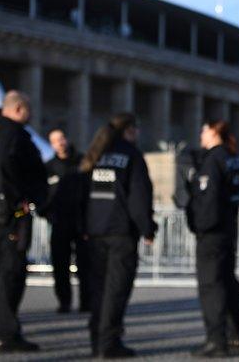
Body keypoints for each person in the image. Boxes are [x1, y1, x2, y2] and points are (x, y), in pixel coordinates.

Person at [0, 91, 48, 352]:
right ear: (18, 109)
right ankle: (7, 334)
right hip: (10, 214)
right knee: (10, 273)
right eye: (28, 110)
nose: (30, 116)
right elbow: (8, 168)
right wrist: (15, 201)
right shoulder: (13, 133)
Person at [82, 112, 157, 358]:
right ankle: (109, 343)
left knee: (98, 290)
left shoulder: (96, 153)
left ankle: (96, 341)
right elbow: (139, 197)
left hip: (94, 233)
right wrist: (147, 228)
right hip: (120, 234)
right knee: (116, 290)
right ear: (130, 130)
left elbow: (84, 194)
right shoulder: (131, 156)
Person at [185, 121, 239, 357]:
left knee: (211, 287)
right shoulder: (231, 157)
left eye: (203, 130)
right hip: (227, 230)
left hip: (212, 233)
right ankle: (238, 337)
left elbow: (208, 199)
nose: (200, 134)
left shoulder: (214, 159)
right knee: (228, 284)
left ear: (213, 132)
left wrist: (199, 226)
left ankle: (216, 341)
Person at [43, 128, 89, 313]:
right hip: (59, 222)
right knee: (60, 265)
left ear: (67, 139)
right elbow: (42, 196)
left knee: (85, 265)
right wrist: (47, 214)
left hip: (81, 222)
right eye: (55, 140)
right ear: (52, 144)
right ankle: (64, 301)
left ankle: (87, 301)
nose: (60, 142)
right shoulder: (49, 167)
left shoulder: (82, 162)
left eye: (61, 138)